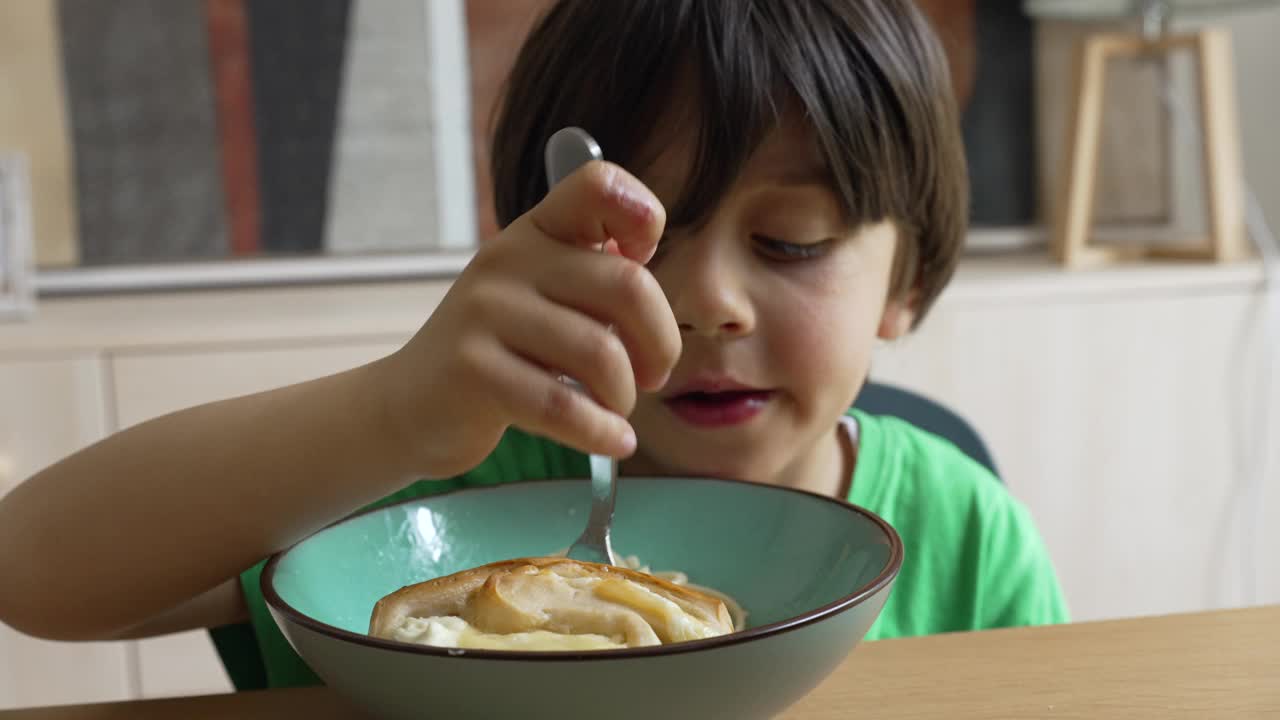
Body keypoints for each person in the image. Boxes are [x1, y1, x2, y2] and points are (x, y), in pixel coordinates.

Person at [0, 0, 1067, 689]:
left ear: (908, 277)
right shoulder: (439, 504)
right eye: (635, 241)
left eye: (790, 243)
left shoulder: (966, 536)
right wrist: (392, 414)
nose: (703, 303)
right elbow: (32, 573)